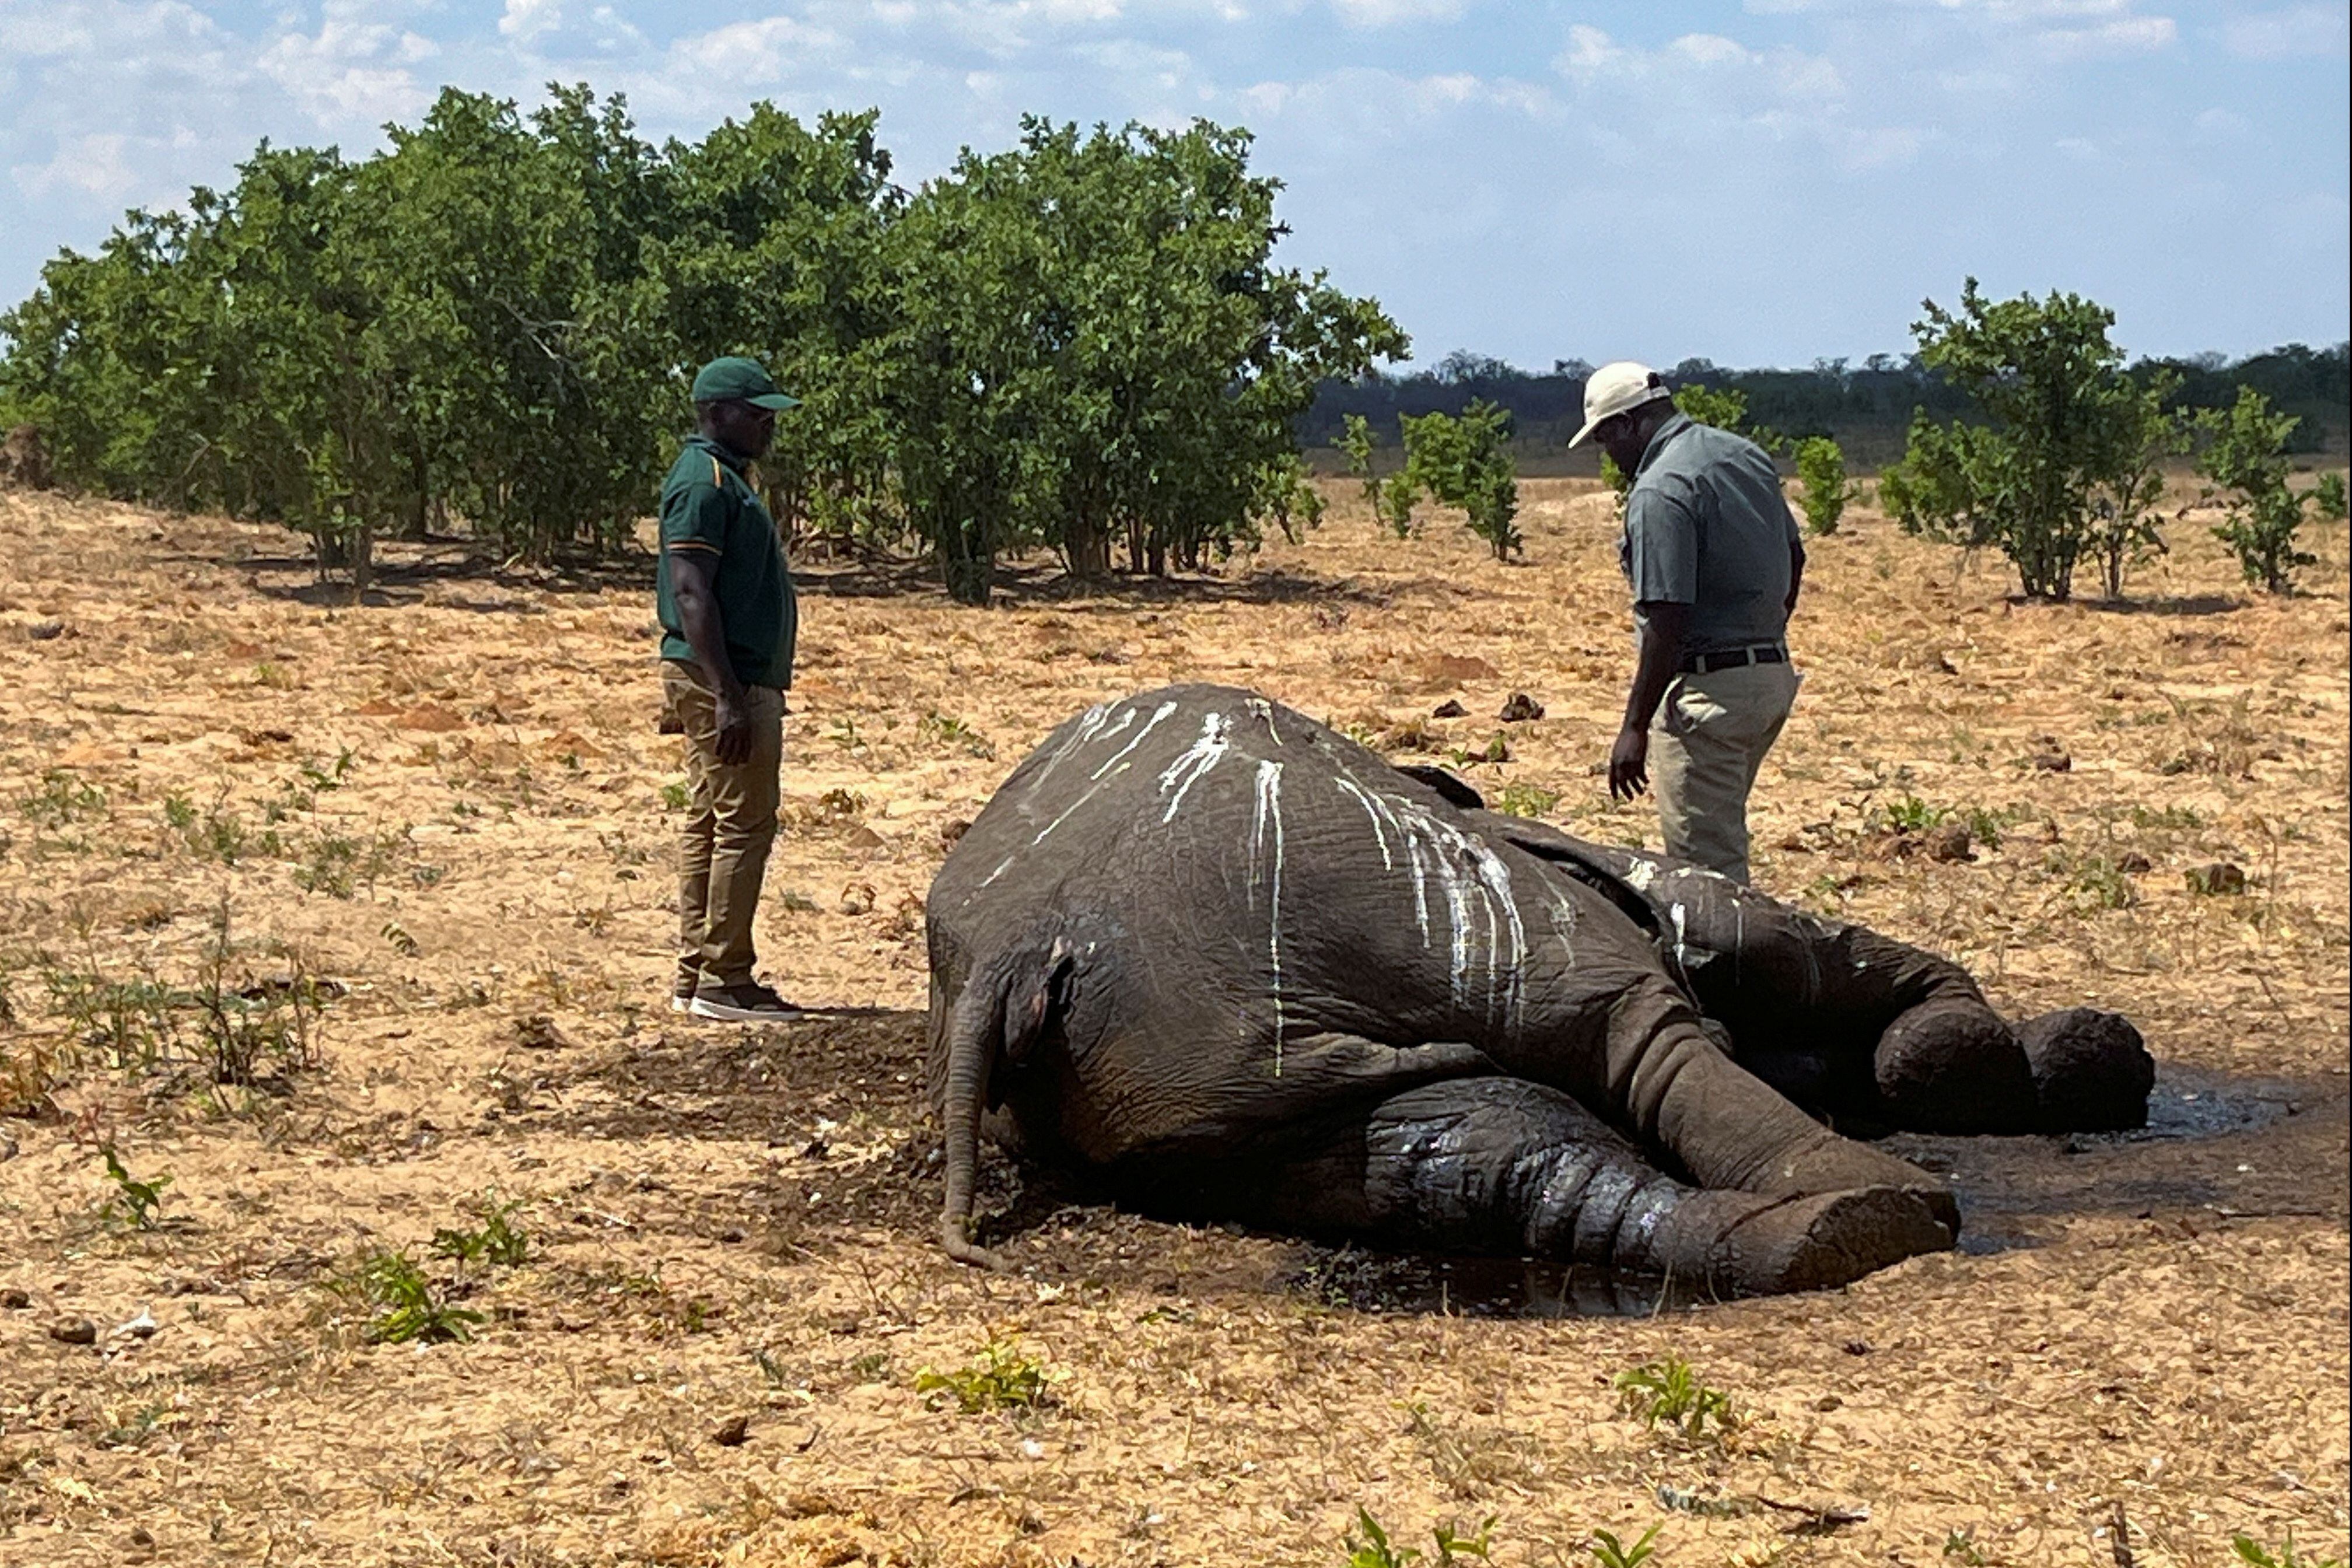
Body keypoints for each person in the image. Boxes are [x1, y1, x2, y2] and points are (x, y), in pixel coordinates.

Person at [1570, 361, 1805, 886]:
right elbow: (1795, 557)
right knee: (1722, 838)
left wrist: (1634, 727)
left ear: (1630, 424)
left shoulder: (1660, 490)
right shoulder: (1743, 455)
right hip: (1770, 679)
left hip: (1708, 701)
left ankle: (1735, 968)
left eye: (1608, 440)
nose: (1609, 455)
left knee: (1708, 879)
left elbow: (1666, 618)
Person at [658, 356, 803, 1021]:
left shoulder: (726, 479)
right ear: (718, 413)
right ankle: (725, 979)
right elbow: (691, 591)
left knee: (712, 819)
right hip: (728, 678)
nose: (768, 423)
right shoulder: (705, 484)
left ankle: (699, 975)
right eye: (756, 412)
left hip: (729, 676)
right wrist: (726, 695)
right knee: (745, 822)